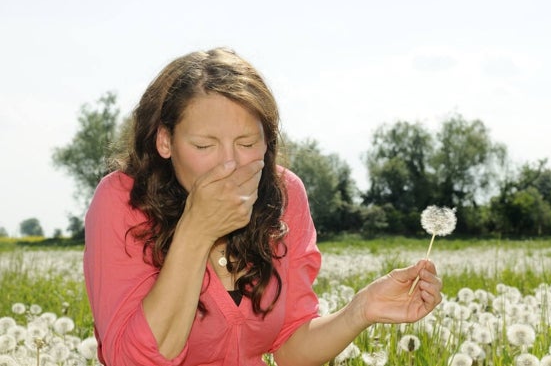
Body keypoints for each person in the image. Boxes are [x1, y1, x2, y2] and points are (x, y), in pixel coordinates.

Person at [83, 47, 443, 366]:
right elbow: (134, 360)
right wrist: (196, 232)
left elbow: (290, 346)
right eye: (205, 146)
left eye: (247, 143)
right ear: (165, 140)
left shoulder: (284, 195)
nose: (229, 165)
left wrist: (361, 310)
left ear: (268, 141)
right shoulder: (122, 201)